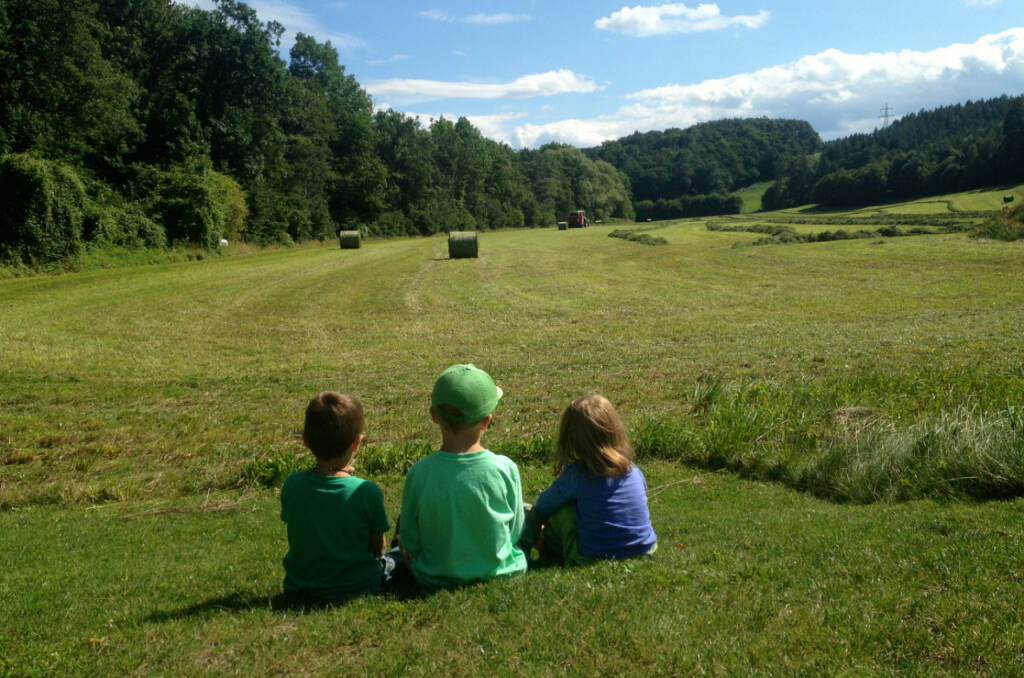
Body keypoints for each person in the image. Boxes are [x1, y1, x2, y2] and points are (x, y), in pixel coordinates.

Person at [397, 364, 527, 588]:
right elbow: (515, 532)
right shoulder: (505, 468)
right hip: (500, 572)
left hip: (433, 576)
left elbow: (410, 538)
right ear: (487, 421)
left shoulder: (420, 472)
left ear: (434, 416)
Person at [280, 392, 393, 602]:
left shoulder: (293, 485)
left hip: (300, 587)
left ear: (305, 441)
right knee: (395, 558)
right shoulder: (367, 491)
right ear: (357, 442)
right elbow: (379, 549)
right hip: (359, 586)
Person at [520, 395, 657, 565]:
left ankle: (528, 553)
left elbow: (543, 506)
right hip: (645, 549)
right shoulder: (633, 469)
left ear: (570, 438)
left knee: (562, 512)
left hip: (593, 556)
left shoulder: (578, 475)